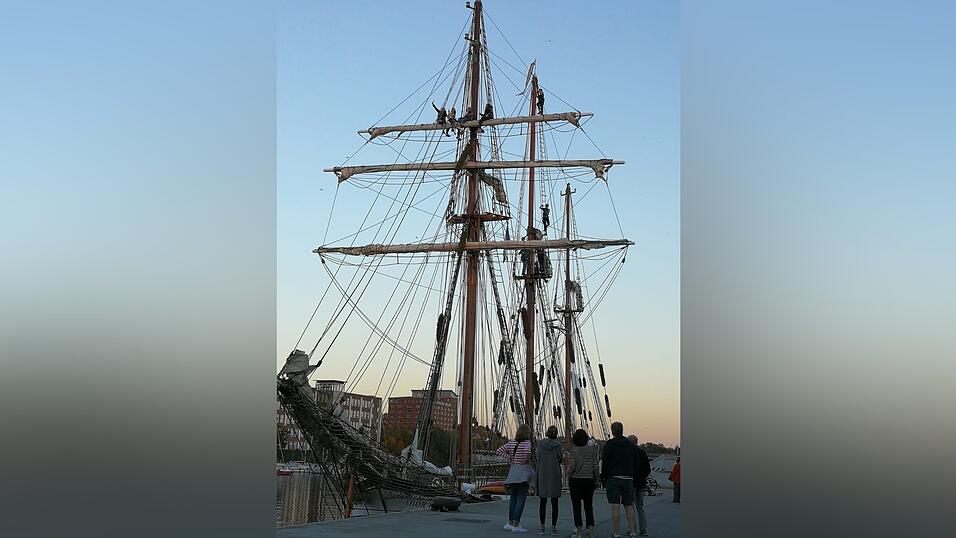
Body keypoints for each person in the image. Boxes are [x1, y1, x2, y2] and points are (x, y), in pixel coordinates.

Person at [601, 422, 640, 538]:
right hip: (628, 478)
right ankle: (632, 532)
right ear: (622, 430)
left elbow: (605, 463)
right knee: (628, 505)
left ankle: (616, 533)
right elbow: (636, 462)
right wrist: (632, 475)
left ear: (612, 431)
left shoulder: (609, 445)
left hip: (613, 478)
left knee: (615, 505)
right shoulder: (631, 445)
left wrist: (605, 478)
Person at [497, 424, 534, 533]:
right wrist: (526, 459)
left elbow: (499, 451)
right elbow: (527, 452)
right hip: (523, 474)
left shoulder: (512, 442)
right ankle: (516, 524)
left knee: (513, 498)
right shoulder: (527, 443)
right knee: (521, 499)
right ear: (527, 433)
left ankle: (510, 522)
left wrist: (510, 458)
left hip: (513, 473)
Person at [568, 428, 600, 538]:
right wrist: (597, 479)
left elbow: (572, 466)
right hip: (589, 480)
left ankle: (578, 532)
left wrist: (568, 474)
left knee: (576, 506)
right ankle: (591, 532)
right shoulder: (592, 450)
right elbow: (595, 466)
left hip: (576, 480)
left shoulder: (574, 450)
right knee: (588, 506)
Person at [536, 425, 563, 536]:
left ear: (547, 433)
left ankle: (542, 526)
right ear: (556, 434)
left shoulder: (540, 443)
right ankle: (553, 527)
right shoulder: (558, 445)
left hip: (543, 474)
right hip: (554, 474)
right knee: (554, 503)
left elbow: (538, 456)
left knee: (542, 502)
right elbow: (560, 458)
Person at [627, 435, 652, 537]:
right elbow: (648, 469)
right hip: (641, 483)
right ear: (636, 442)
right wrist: (642, 477)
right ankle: (643, 530)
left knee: (631, 506)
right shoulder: (642, 453)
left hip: (631, 483)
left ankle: (632, 529)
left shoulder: (628, 453)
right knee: (640, 507)